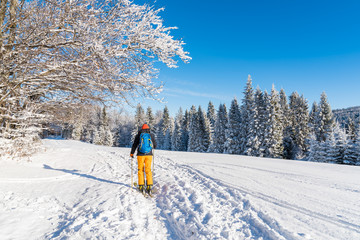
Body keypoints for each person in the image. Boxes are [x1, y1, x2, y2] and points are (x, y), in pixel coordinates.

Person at [130, 124, 157, 194]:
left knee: (140, 170)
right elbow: (155, 145)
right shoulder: (151, 135)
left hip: (140, 155)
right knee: (148, 170)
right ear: (148, 129)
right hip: (149, 155)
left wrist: (132, 153)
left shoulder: (139, 135)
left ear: (141, 129)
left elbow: (134, 145)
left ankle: (141, 186)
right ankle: (149, 186)